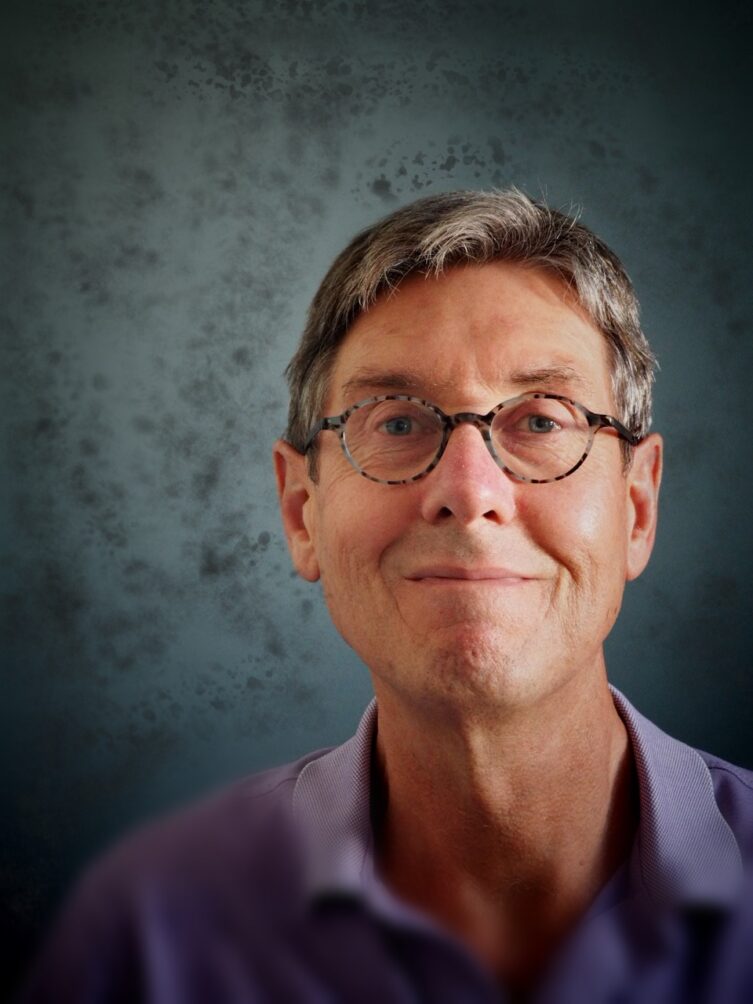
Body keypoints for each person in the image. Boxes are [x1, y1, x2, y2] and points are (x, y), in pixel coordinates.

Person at [22, 190, 753, 1003]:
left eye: (540, 422)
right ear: (302, 513)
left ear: (636, 508)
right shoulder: (144, 932)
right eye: (397, 422)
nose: (468, 492)